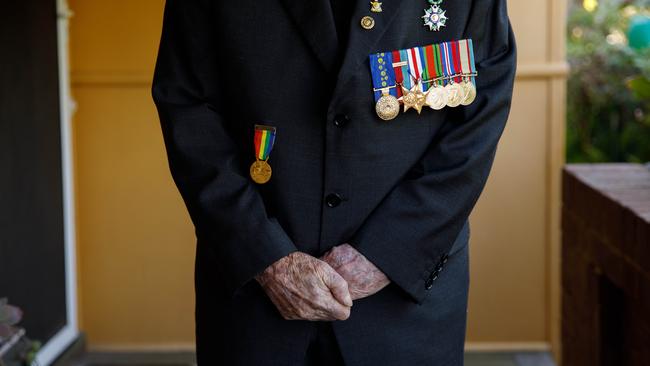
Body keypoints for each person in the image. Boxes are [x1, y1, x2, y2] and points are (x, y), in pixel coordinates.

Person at [152, 0, 516, 364]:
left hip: (406, 300)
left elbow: (480, 111)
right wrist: (265, 256)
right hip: (256, 293)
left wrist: (389, 251)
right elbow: (186, 103)